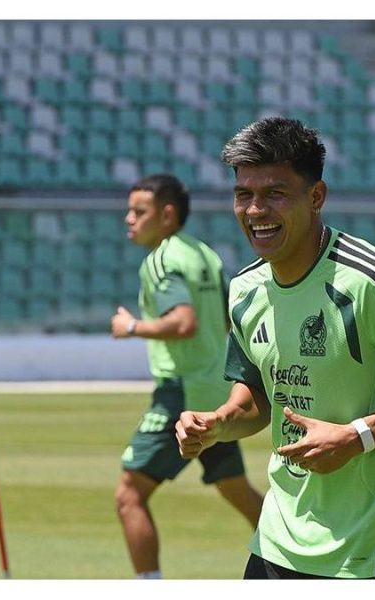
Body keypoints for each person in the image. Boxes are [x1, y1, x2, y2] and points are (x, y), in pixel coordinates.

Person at [175, 117, 375, 579]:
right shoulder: (243, 290)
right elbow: (255, 394)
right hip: (278, 539)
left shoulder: (372, 280)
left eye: (274, 193)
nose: (255, 210)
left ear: (316, 196)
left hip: (369, 547)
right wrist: (217, 423)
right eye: (243, 195)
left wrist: (358, 436)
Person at [110, 173, 263, 578]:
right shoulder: (204, 254)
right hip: (217, 391)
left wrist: (131, 327)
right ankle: (301, 567)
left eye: (139, 211)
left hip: (182, 395)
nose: (129, 219)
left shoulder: (162, 259)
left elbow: (183, 322)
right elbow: (228, 319)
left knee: (129, 495)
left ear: (167, 214)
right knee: (237, 491)